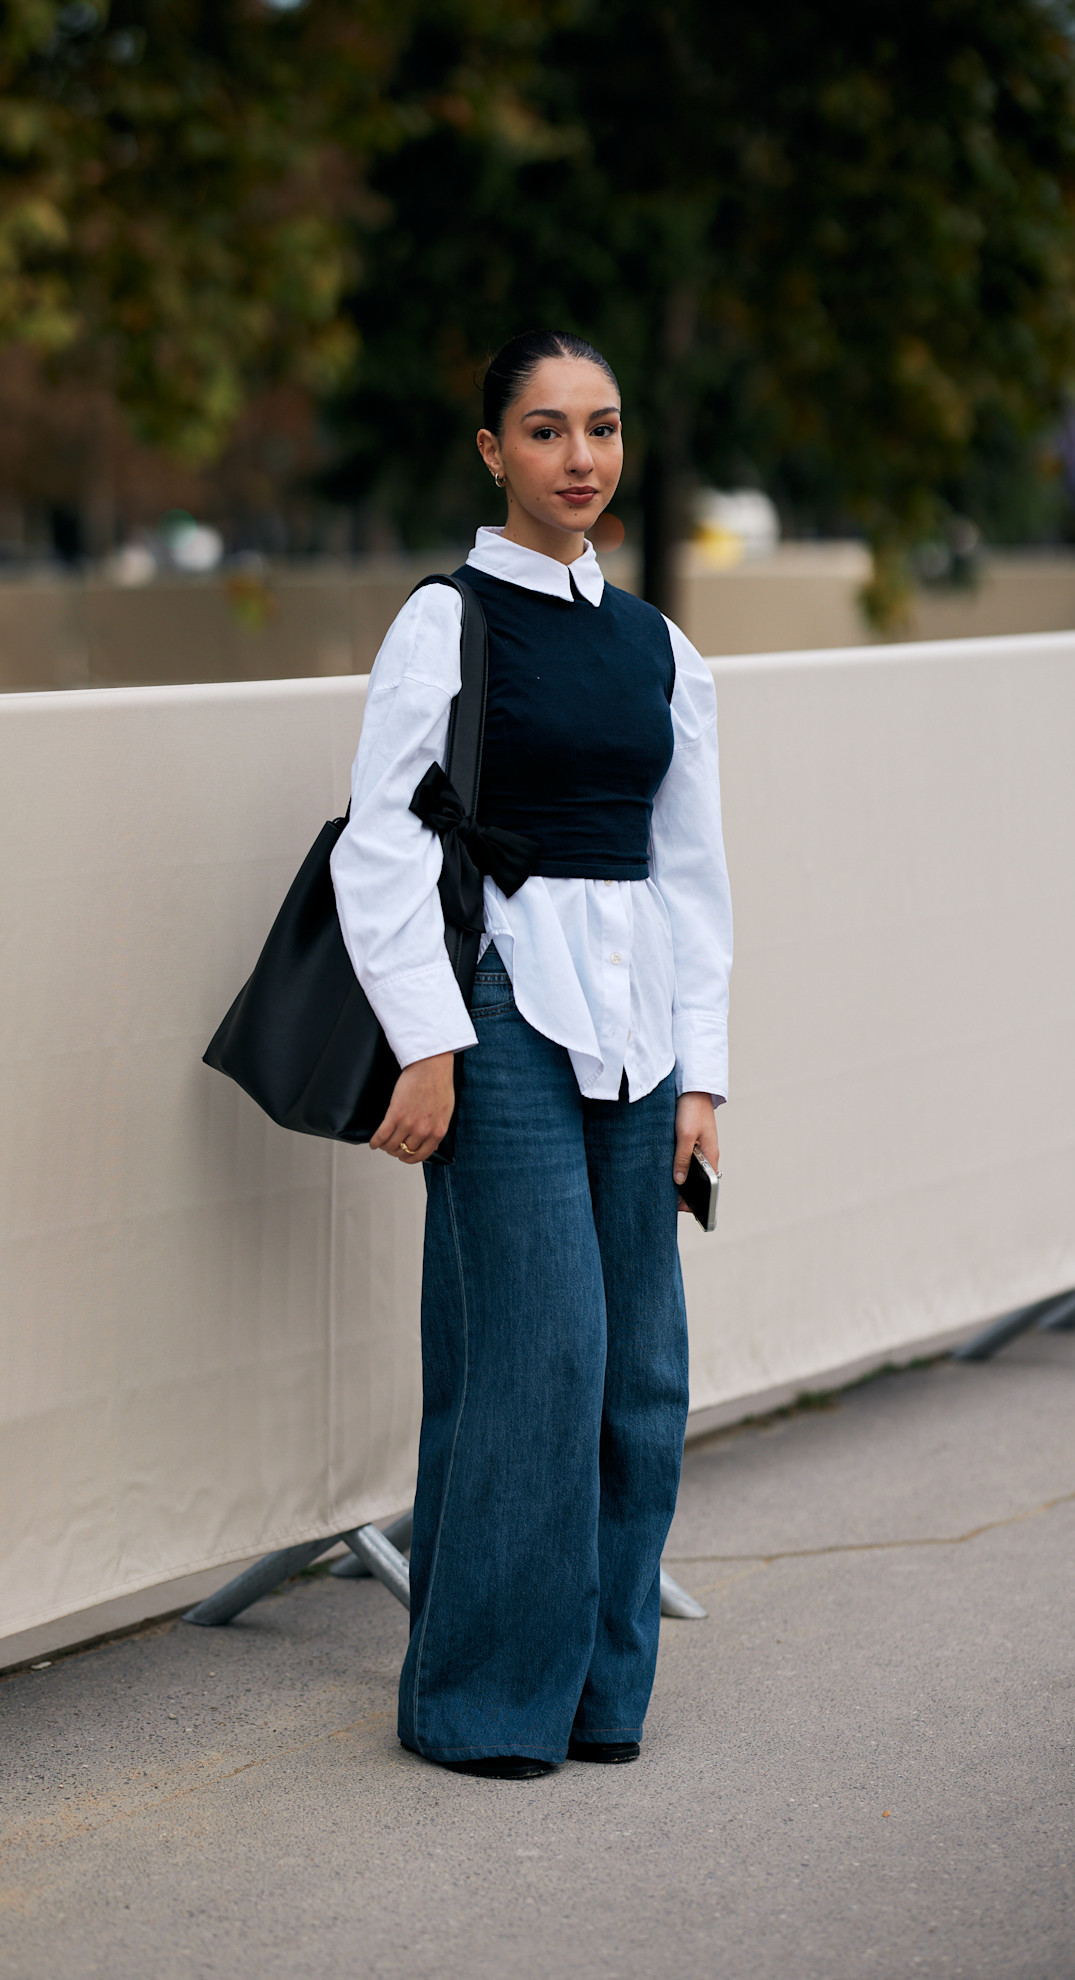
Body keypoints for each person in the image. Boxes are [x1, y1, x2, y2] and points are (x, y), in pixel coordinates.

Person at [330, 329, 733, 1781]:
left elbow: (692, 875)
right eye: (548, 430)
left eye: (603, 428)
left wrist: (701, 1074)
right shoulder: (446, 622)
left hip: (636, 1029)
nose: (580, 458)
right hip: (497, 1014)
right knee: (538, 1354)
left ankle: (598, 1695)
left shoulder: (659, 648)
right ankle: (484, 1702)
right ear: (493, 450)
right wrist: (426, 1044)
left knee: (641, 1374)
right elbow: (381, 844)